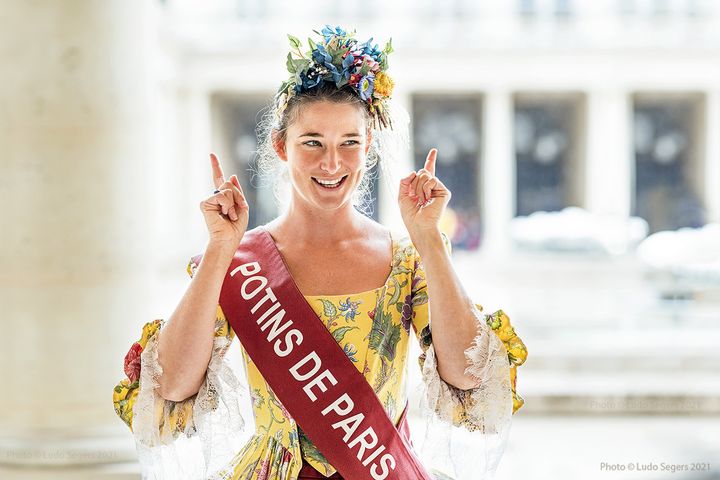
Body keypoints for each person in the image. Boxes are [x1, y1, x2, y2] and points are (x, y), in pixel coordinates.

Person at [113, 25, 527, 480]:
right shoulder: (237, 263)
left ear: (367, 148)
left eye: (349, 142)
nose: (332, 163)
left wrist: (430, 239)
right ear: (281, 147)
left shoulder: (409, 261)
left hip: (380, 466)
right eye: (312, 142)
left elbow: (469, 376)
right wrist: (219, 250)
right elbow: (169, 386)